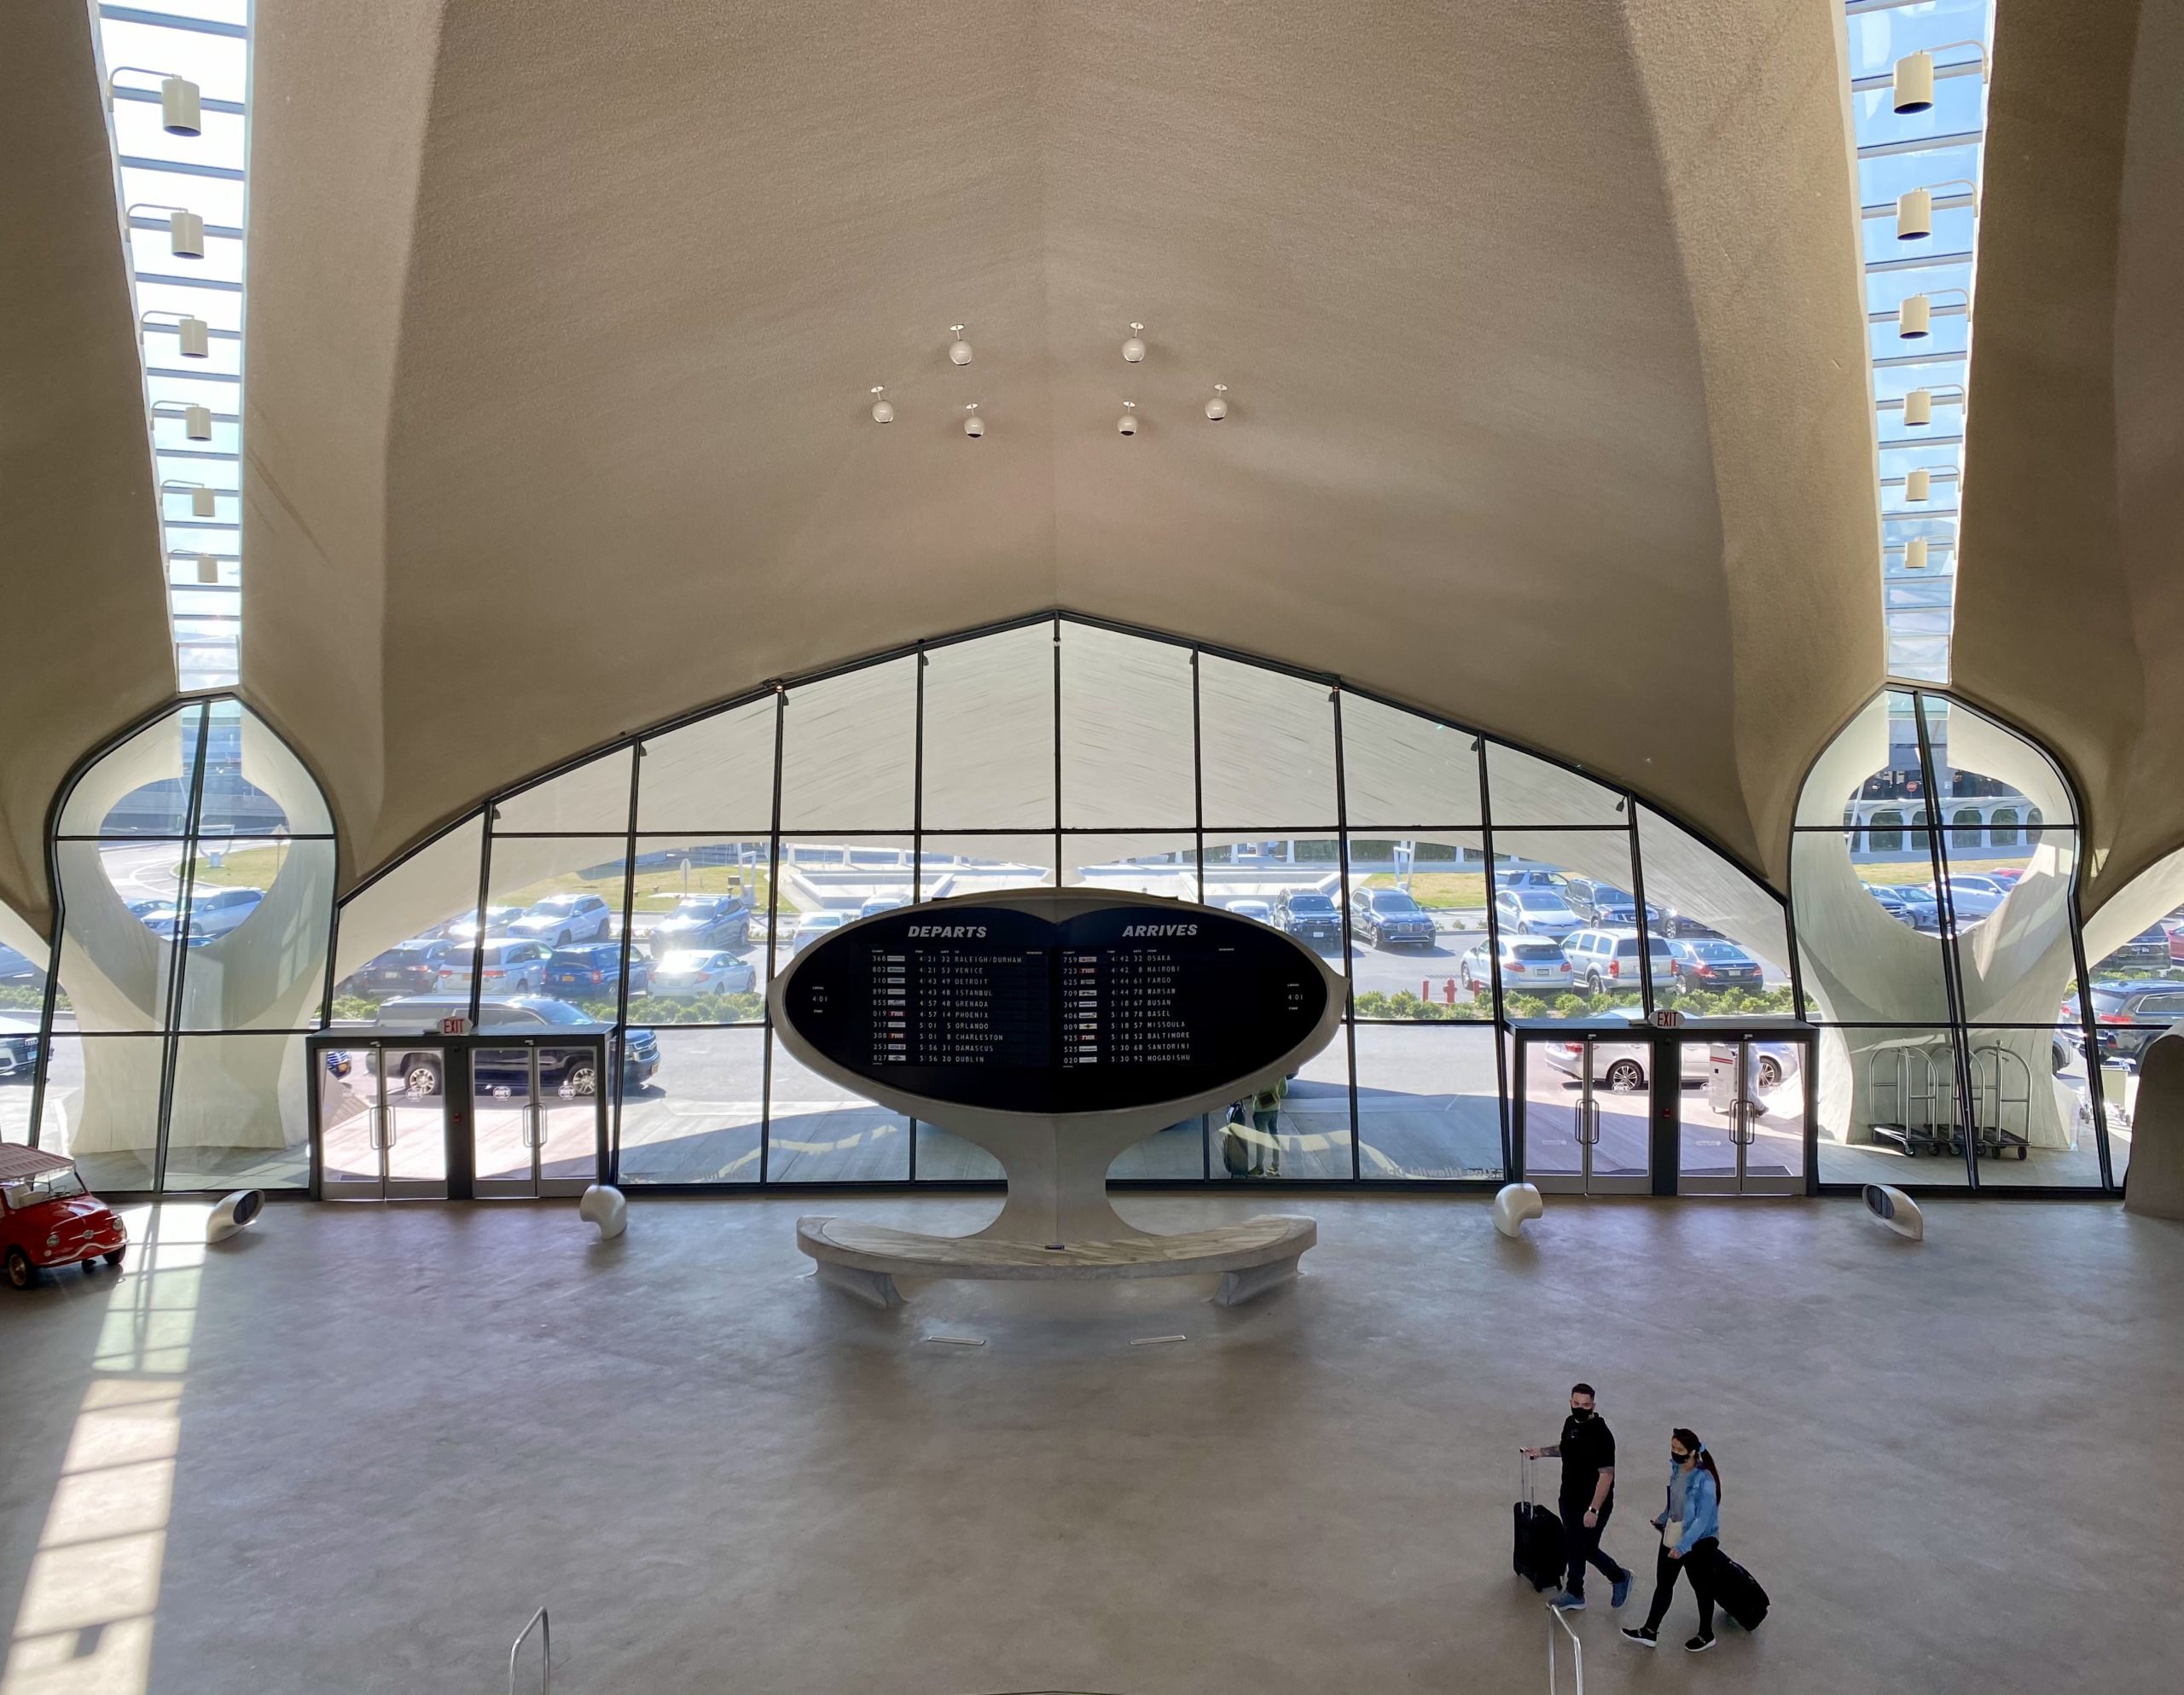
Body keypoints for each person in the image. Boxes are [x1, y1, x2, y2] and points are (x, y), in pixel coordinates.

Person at [1520, 1383, 1631, 1611]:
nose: (1580, 1408)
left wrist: (1593, 1509)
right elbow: (1567, 1447)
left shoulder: (1602, 1435)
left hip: (1591, 1504)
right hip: (1569, 1499)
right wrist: (1541, 1452)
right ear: (1571, 1402)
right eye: (1576, 1403)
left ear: (1594, 1405)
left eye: (1586, 1405)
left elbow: (1607, 1475)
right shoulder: (1570, 1423)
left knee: (1587, 1548)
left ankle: (1620, 1576)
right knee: (1574, 1545)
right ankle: (1575, 1592)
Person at [1621, 1428, 1722, 1652]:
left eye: (1680, 1450)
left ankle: (1707, 1634)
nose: (1675, 1453)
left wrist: (1683, 1546)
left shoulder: (1705, 1481)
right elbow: (1675, 1501)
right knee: (1664, 1584)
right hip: (1674, 1532)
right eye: (1673, 1448)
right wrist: (1663, 1518)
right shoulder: (1677, 1470)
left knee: (1701, 1587)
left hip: (1700, 1540)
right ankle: (1650, 1631)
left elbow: (1702, 1520)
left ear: (1693, 1452)